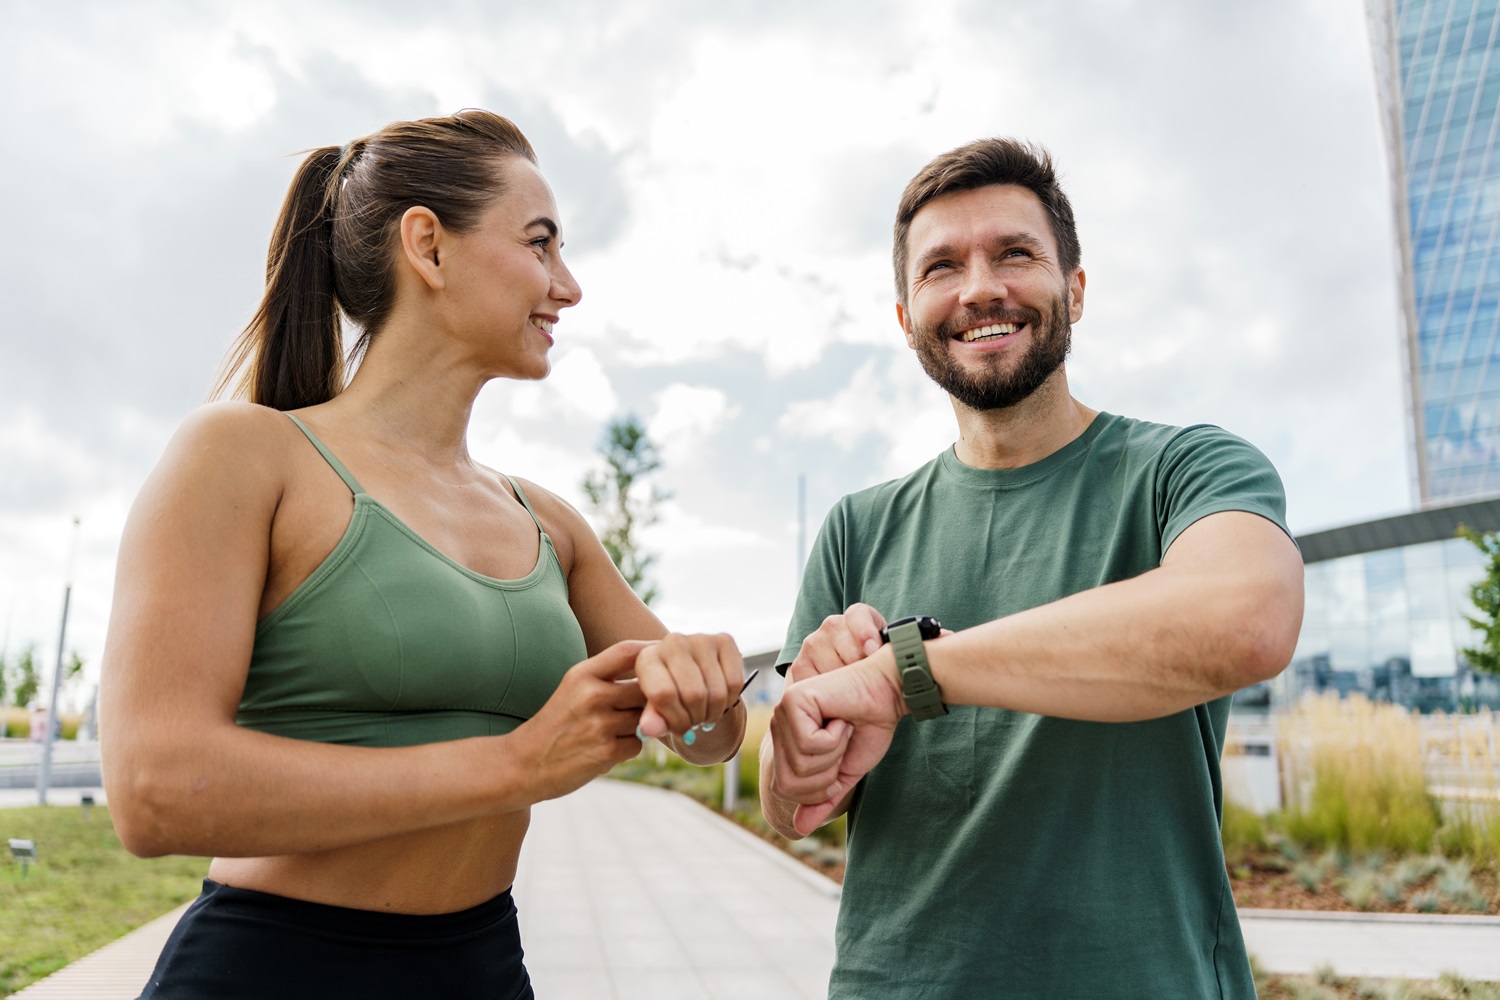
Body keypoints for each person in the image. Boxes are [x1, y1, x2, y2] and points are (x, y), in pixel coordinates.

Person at [99, 110, 748, 1000]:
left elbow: (707, 737)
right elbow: (154, 791)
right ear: (428, 247)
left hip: (481, 966)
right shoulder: (242, 455)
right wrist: (515, 766)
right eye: (541, 244)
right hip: (273, 971)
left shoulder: (549, 522)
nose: (570, 287)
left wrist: (705, 686)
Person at [759, 139, 1303, 999]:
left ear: (1075, 291)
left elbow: (1247, 620)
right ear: (906, 318)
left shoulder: (1189, 470)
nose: (980, 287)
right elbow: (791, 809)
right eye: (941, 267)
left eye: (1015, 253)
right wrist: (801, 761)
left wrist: (906, 675)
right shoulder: (856, 528)